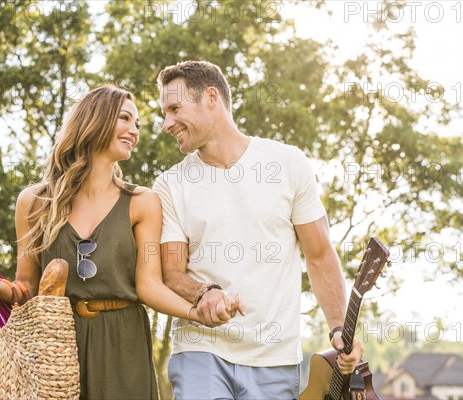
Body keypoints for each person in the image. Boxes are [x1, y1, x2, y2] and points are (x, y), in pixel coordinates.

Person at [0, 84, 204, 399]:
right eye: (125, 118)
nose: (134, 131)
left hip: (125, 346)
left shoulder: (142, 201)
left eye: (136, 124)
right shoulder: (35, 201)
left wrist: (196, 311)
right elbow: (26, 289)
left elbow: (150, 286)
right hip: (55, 346)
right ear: (95, 120)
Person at [152, 60, 365, 399]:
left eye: (175, 109)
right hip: (199, 351)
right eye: (165, 113)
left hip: (274, 358)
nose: (167, 124)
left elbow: (320, 254)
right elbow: (171, 272)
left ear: (210, 98)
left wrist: (339, 328)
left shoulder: (288, 164)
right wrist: (204, 293)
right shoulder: (170, 184)